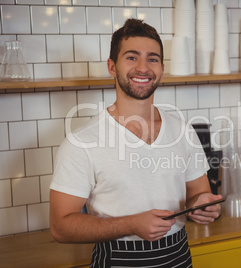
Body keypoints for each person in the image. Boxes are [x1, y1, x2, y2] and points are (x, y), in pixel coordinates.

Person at [49, 18, 222, 268]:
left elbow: (198, 194)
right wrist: (130, 225)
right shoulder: (82, 142)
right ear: (112, 66)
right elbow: (60, 227)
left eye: (152, 59)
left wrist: (203, 206)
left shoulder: (182, 130)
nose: (143, 68)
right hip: (118, 259)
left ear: (161, 69)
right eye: (132, 57)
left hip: (179, 258)